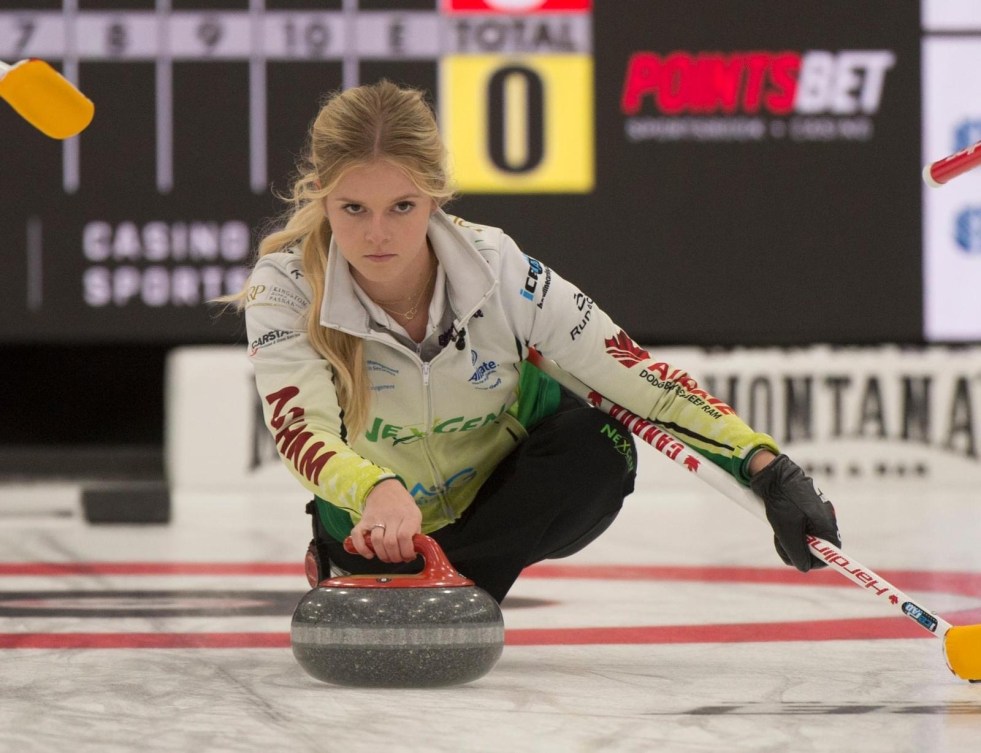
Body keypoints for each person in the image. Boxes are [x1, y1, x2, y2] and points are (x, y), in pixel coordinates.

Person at [239, 80, 840, 604]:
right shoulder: (286, 287)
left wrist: (766, 466)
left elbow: (639, 380)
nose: (378, 234)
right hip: (376, 523)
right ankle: (385, 572)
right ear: (319, 193)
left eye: (402, 206)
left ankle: (460, 587)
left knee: (599, 443)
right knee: (370, 512)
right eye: (352, 208)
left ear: (436, 194)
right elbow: (302, 432)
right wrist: (376, 489)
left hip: (504, 502)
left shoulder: (499, 269)